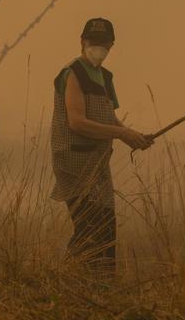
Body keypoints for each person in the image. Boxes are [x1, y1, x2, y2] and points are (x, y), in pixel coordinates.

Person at [50, 16, 152, 277]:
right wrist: (121, 132)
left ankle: (102, 286)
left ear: (112, 45)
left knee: (105, 228)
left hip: (98, 162)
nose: (99, 49)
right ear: (83, 42)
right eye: (94, 42)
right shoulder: (72, 73)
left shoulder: (105, 77)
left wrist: (132, 135)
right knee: (89, 227)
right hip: (73, 162)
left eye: (105, 44)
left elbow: (109, 117)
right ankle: (68, 281)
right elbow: (77, 123)